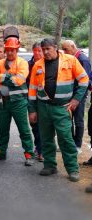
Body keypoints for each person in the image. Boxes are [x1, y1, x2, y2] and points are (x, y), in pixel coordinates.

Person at [29, 38, 88, 182]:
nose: (45, 52)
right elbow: (32, 90)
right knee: (46, 138)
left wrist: (75, 100)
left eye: (48, 49)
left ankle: (72, 169)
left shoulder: (70, 61)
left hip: (61, 108)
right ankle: (50, 165)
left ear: (55, 47)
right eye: (43, 50)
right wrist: (32, 110)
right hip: (43, 107)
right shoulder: (38, 65)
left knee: (66, 139)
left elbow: (84, 80)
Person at [0, 37, 34, 166]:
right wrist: (10, 77)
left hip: (18, 102)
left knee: (24, 129)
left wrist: (2, 78)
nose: (10, 52)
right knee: (2, 129)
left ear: (17, 50)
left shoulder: (23, 63)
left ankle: (29, 154)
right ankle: (0, 153)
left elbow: (19, 80)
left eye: (13, 50)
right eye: (8, 50)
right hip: (2, 102)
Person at [61, 40, 92, 154]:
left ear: (73, 47)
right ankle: (70, 144)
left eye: (66, 49)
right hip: (69, 94)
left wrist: (78, 98)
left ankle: (77, 146)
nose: (64, 52)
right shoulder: (69, 58)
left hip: (79, 96)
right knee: (68, 120)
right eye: (63, 49)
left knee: (78, 120)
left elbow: (86, 81)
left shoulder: (83, 60)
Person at [28, 42, 44, 162]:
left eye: (40, 51)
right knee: (34, 125)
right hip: (31, 100)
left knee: (43, 126)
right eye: (35, 51)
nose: (37, 53)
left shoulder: (46, 64)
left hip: (44, 101)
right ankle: (38, 147)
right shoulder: (29, 64)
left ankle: (41, 150)